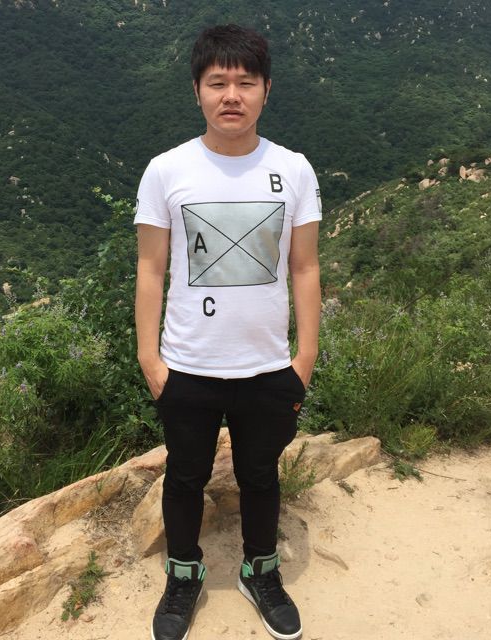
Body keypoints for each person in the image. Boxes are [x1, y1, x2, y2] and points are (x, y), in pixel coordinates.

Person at [134, 23, 322, 640]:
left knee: (260, 475)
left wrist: (304, 357)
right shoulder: (167, 170)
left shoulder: (294, 169)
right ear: (197, 90)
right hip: (187, 364)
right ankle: (183, 578)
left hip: (267, 366)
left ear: (267, 89)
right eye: (218, 83)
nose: (232, 95)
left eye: (246, 82)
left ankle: (260, 572)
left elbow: (305, 267)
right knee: (185, 476)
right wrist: (150, 358)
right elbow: (150, 268)